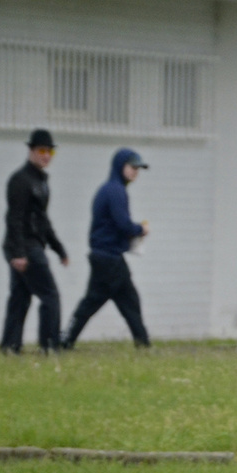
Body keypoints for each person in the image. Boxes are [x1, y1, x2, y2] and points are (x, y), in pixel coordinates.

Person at [62, 149, 151, 348]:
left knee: (125, 303)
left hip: (104, 257)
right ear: (120, 167)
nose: (136, 171)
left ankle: (65, 340)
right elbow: (123, 224)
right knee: (106, 303)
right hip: (109, 259)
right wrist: (141, 229)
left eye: (138, 168)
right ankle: (64, 340)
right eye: (132, 167)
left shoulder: (109, 189)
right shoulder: (116, 191)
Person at [0, 128, 69, 353]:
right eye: (41, 150)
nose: (46, 155)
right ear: (31, 151)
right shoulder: (21, 181)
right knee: (50, 296)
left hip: (29, 245)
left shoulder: (41, 181)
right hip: (26, 247)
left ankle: (10, 347)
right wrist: (18, 253)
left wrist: (59, 248)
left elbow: (42, 219)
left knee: (20, 298)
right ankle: (49, 346)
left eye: (50, 152)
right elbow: (14, 218)